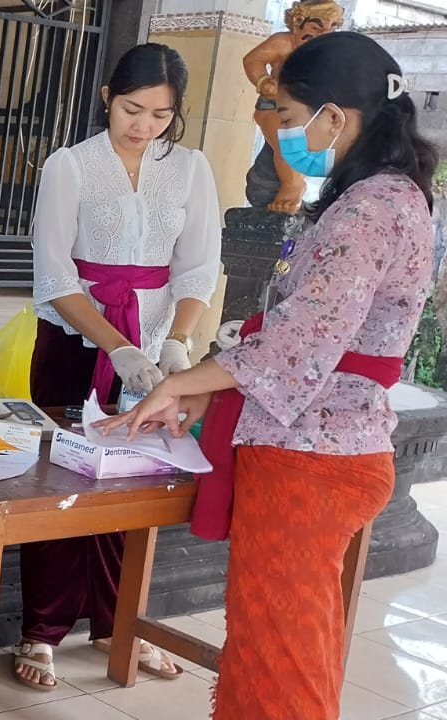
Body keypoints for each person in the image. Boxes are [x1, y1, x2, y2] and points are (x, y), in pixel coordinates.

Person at [101, 33, 439, 720]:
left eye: (287, 117)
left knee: (280, 652)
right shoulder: (389, 196)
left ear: (334, 117)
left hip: (311, 457)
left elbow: (302, 340)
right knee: (283, 637)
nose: (282, 134)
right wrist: (203, 389)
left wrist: (183, 382)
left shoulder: (371, 208)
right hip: (324, 443)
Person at [18, 43, 220, 690]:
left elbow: (198, 267)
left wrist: (175, 342)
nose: (144, 125)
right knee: (59, 481)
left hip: (155, 345)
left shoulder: (189, 169)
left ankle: (117, 623)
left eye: (161, 115)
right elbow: (55, 275)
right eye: (133, 109)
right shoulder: (71, 165)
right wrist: (117, 347)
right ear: (108, 96)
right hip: (75, 341)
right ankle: (41, 630)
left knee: (134, 486)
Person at [242, 0, 345, 213]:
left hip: (308, 113)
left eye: (332, 28)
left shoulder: (329, 53)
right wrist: (263, 81)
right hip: (273, 106)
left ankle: (274, 185)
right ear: (298, 24)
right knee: (287, 141)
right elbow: (252, 60)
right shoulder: (283, 43)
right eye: (316, 27)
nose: (324, 34)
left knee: (301, 148)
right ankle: (292, 186)